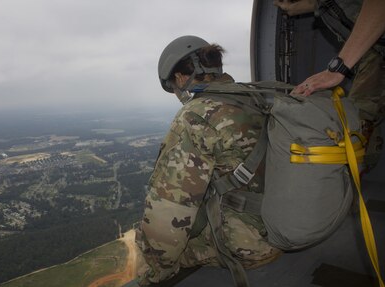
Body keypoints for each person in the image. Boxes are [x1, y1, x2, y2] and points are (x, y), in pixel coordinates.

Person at [135, 35, 281, 286]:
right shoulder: (257, 98)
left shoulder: (195, 116)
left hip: (249, 245)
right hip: (282, 226)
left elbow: (169, 210)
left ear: (181, 78)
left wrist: (156, 274)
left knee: (143, 241)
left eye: (174, 85)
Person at [274, 0, 385, 168]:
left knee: (357, 118)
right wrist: (296, 7)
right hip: (374, 56)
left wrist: (338, 68)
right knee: (358, 118)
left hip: (374, 57)